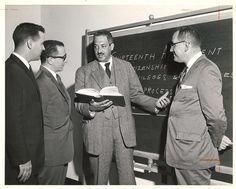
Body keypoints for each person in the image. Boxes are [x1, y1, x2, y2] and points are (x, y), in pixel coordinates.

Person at [74, 30, 169, 185]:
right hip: (97, 131)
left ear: (112, 46)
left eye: (103, 46)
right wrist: (91, 107)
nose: (99, 50)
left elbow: (136, 94)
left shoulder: (126, 67)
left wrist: (155, 103)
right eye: (96, 46)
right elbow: (78, 104)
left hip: (123, 131)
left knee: (127, 179)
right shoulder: (83, 72)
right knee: (98, 180)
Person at [165, 26, 232, 185]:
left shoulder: (206, 69)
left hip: (194, 155)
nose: (170, 49)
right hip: (183, 153)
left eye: (173, 45)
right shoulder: (188, 71)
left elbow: (216, 116)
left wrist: (216, 141)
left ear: (186, 45)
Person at [5, 22, 45, 184]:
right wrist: (22, 159)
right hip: (22, 163)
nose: (43, 48)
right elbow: (11, 119)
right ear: (30, 43)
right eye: (42, 43)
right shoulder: (11, 71)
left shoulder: (22, 68)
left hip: (30, 157)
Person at [36, 40, 74, 185]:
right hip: (50, 155)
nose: (66, 60)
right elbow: (35, 122)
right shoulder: (42, 82)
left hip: (60, 151)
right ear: (50, 59)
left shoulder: (54, 78)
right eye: (63, 57)